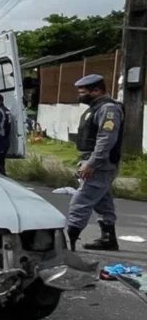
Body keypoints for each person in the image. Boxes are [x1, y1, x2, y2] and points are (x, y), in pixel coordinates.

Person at [66, 74, 124, 252]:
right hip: (96, 162)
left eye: (83, 92)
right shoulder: (96, 107)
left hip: (100, 164)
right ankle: (109, 239)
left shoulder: (108, 109)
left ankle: (69, 245)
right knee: (103, 201)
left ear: (97, 90)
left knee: (80, 201)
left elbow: (106, 139)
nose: (80, 95)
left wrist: (91, 163)